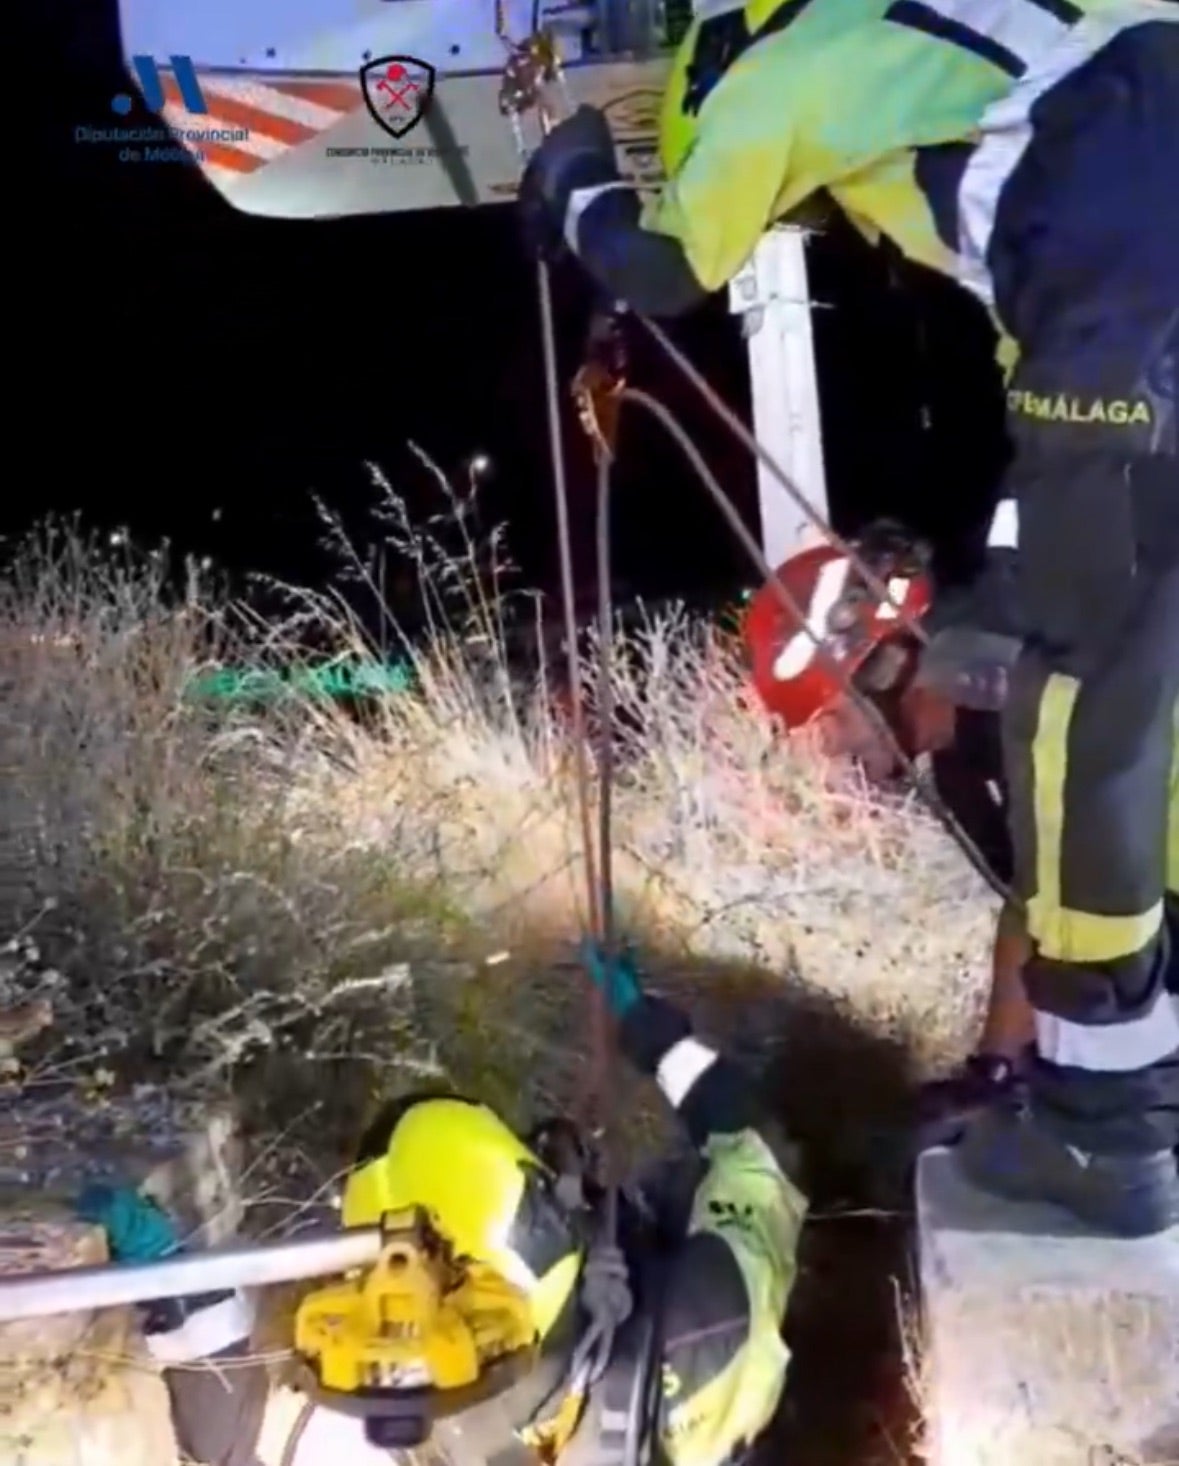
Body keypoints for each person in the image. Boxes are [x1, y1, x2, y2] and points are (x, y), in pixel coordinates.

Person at [518, 1, 1179, 1236]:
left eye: (834, 725)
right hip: (1129, 240)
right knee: (1139, 672)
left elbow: (661, 265)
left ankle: (1109, 1125)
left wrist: (574, 188)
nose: (840, 764)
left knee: (1078, 694)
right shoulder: (959, 51)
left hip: (1119, 249)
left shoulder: (781, 63)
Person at [77, 945, 808, 1466]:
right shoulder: (712, 1311)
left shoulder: (368, 1415)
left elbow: (240, 1446)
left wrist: (185, 1296)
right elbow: (758, 1154)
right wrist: (659, 1041)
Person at [742, 523, 1036, 1143]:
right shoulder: (962, 763)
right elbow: (1032, 900)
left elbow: (1091, 890)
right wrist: (994, 1074)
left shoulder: (1021, 706)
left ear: (890, 666)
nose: (831, 750)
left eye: (834, 719)